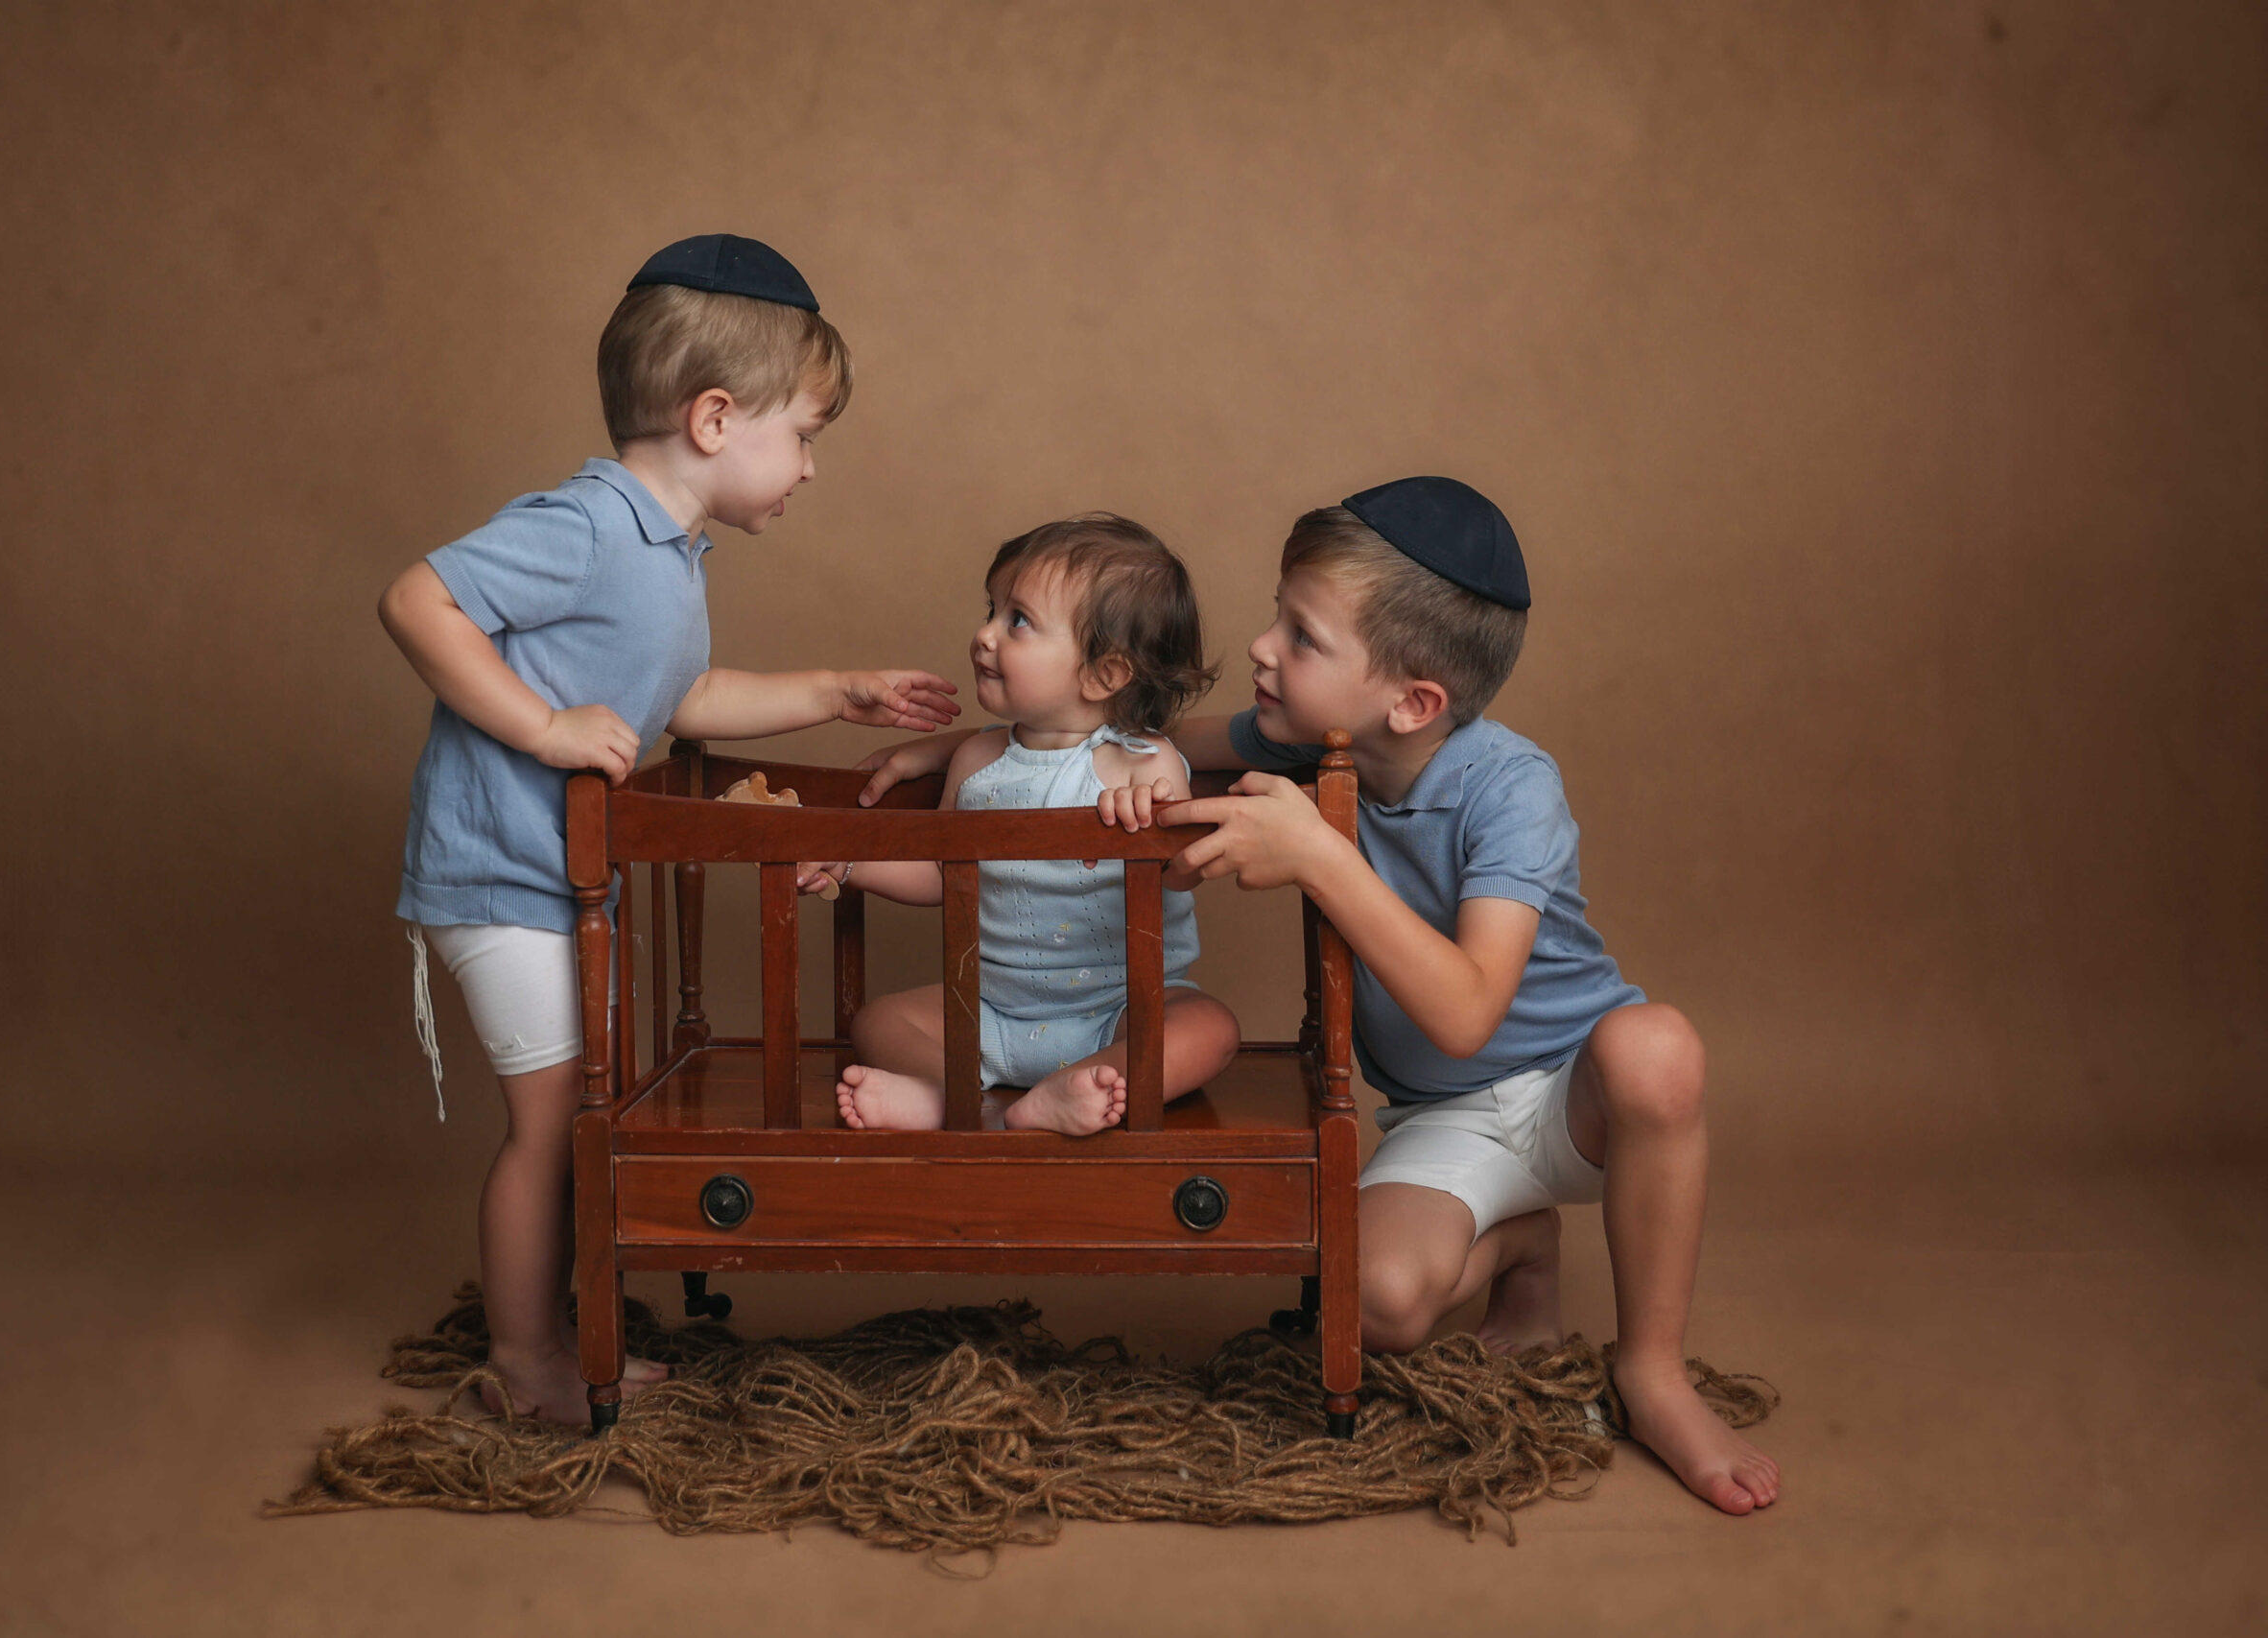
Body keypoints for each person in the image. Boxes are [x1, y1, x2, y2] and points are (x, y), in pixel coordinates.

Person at [859, 478, 1781, 1515]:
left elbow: (1467, 1011)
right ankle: (1522, 1243)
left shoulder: (1510, 785)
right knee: (1372, 1304)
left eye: (1300, 636)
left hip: (1577, 1094)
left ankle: (1653, 1370)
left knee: (1656, 1045)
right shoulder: (1297, 740)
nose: (1261, 646)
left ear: (1412, 702)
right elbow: (1117, 732)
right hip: (1443, 1117)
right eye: (1277, 617)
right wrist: (963, 751)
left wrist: (1317, 855)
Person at [379, 235, 960, 1423]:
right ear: (713, 419)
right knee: (554, 1127)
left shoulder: (668, 550)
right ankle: (528, 1359)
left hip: (557, 879)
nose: (810, 468)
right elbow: (417, 599)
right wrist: (541, 726)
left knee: (584, 1117)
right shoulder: (591, 526)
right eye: (804, 436)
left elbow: (682, 699)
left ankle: (564, 1330)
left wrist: (834, 690)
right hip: (499, 876)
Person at [799, 513, 1241, 1136]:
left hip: (1120, 1009)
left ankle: (1087, 1083)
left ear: (1104, 674)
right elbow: (941, 873)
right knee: (879, 1021)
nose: (984, 635)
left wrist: (1153, 828)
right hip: (989, 1007)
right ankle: (943, 1092)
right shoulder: (978, 761)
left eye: (1018, 621)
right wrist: (848, 862)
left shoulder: (1144, 763)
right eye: (992, 611)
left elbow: (1184, 874)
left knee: (1210, 1029)